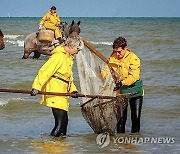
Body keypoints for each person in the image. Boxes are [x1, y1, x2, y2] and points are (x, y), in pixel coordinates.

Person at [30, 36, 83, 137]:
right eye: (78, 49)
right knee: (60, 123)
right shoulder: (59, 56)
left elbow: (68, 77)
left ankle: (61, 146)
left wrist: (73, 90)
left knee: (65, 122)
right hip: (55, 91)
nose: (78, 52)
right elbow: (45, 71)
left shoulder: (68, 57)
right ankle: (51, 146)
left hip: (63, 93)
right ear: (71, 46)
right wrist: (36, 87)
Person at [102, 36, 143, 133]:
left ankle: (134, 144)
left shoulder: (134, 58)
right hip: (120, 92)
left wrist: (122, 82)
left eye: (119, 52)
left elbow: (134, 76)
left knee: (136, 119)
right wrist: (106, 77)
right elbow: (106, 71)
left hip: (134, 91)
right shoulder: (113, 57)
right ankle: (120, 146)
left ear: (125, 48)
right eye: (115, 51)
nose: (117, 54)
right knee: (120, 120)